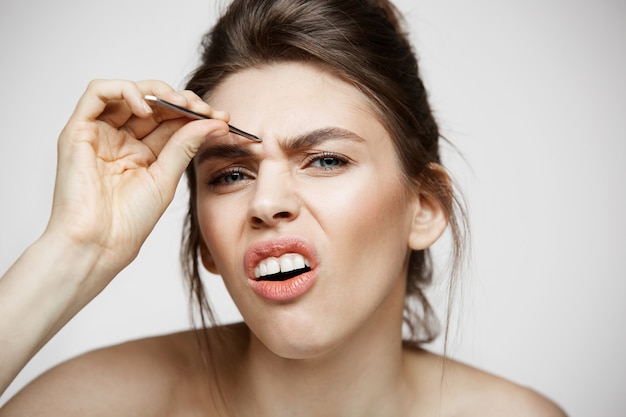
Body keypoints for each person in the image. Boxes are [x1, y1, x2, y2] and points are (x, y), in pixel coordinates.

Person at [0, 0, 566, 415]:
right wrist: (76, 249)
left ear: (424, 207)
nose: (266, 203)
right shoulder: (93, 406)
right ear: (206, 243)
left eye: (325, 161)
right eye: (231, 174)